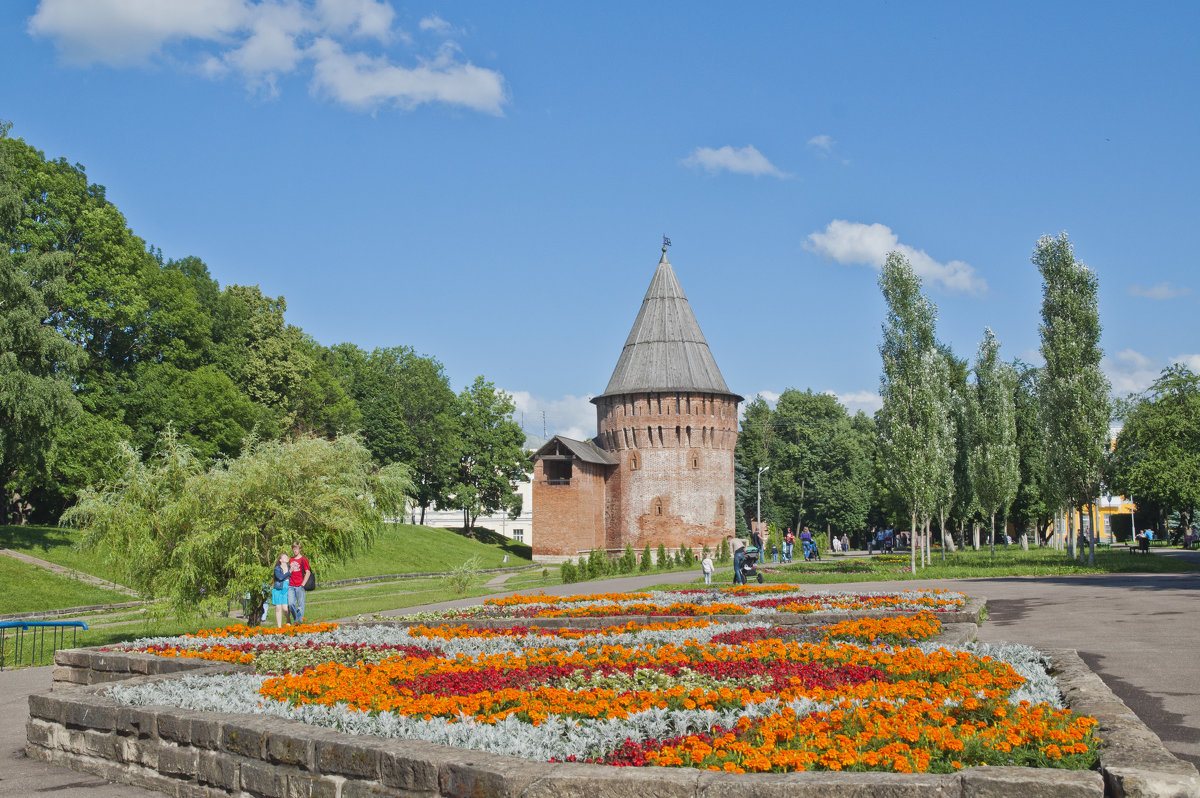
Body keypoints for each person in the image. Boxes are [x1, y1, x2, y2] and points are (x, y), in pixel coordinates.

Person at [288, 541, 312, 623]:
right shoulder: (290, 560)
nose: (295, 550)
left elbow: (308, 572)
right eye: (294, 549)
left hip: (300, 585)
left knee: (300, 606)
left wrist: (303, 584)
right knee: (291, 604)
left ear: (300, 549)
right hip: (291, 585)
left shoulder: (303, 559)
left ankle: (299, 623)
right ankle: (296, 619)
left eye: (297, 549)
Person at [271, 553, 291, 627]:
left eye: (287, 557)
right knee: (278, 607)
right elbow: (279, 577)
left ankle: (288, 619)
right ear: (280, 560)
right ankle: (279, 627)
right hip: (278, 589)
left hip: (286, 588)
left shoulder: (290, 567)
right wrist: (289, 573)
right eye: (284, 557)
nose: (286, 558)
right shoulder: (277, 568)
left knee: (285, 609)